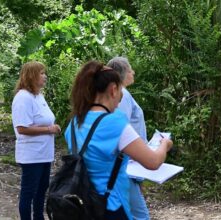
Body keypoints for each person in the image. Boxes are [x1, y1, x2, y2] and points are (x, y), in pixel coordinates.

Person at [64, 60, 173, 220]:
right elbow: (153, 162)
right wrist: (165, 144)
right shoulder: (115, 122)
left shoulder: (75, 122)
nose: (122, 98)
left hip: (81, 204)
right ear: (113, 90)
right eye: (121, 91)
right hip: (109, 205)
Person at [11, 61, 61, 220]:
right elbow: (22, 128)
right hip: (31, 155)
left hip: (45, 154)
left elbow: (44, 120)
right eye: (41, 73)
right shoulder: (23, 97)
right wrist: (49, 129)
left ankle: (39, 217)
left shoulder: (38, 95)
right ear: (31, 76)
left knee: (41, 190)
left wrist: (53, 127)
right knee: (29, 191)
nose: (45, 76)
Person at [107, 57, 150, 220]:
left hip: (128, 162)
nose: (133, 72)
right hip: (127, 163)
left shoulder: (121, 93)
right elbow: (122, 128)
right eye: (130, 69)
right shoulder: (122, 95)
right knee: (141, 216)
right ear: (123, 73)